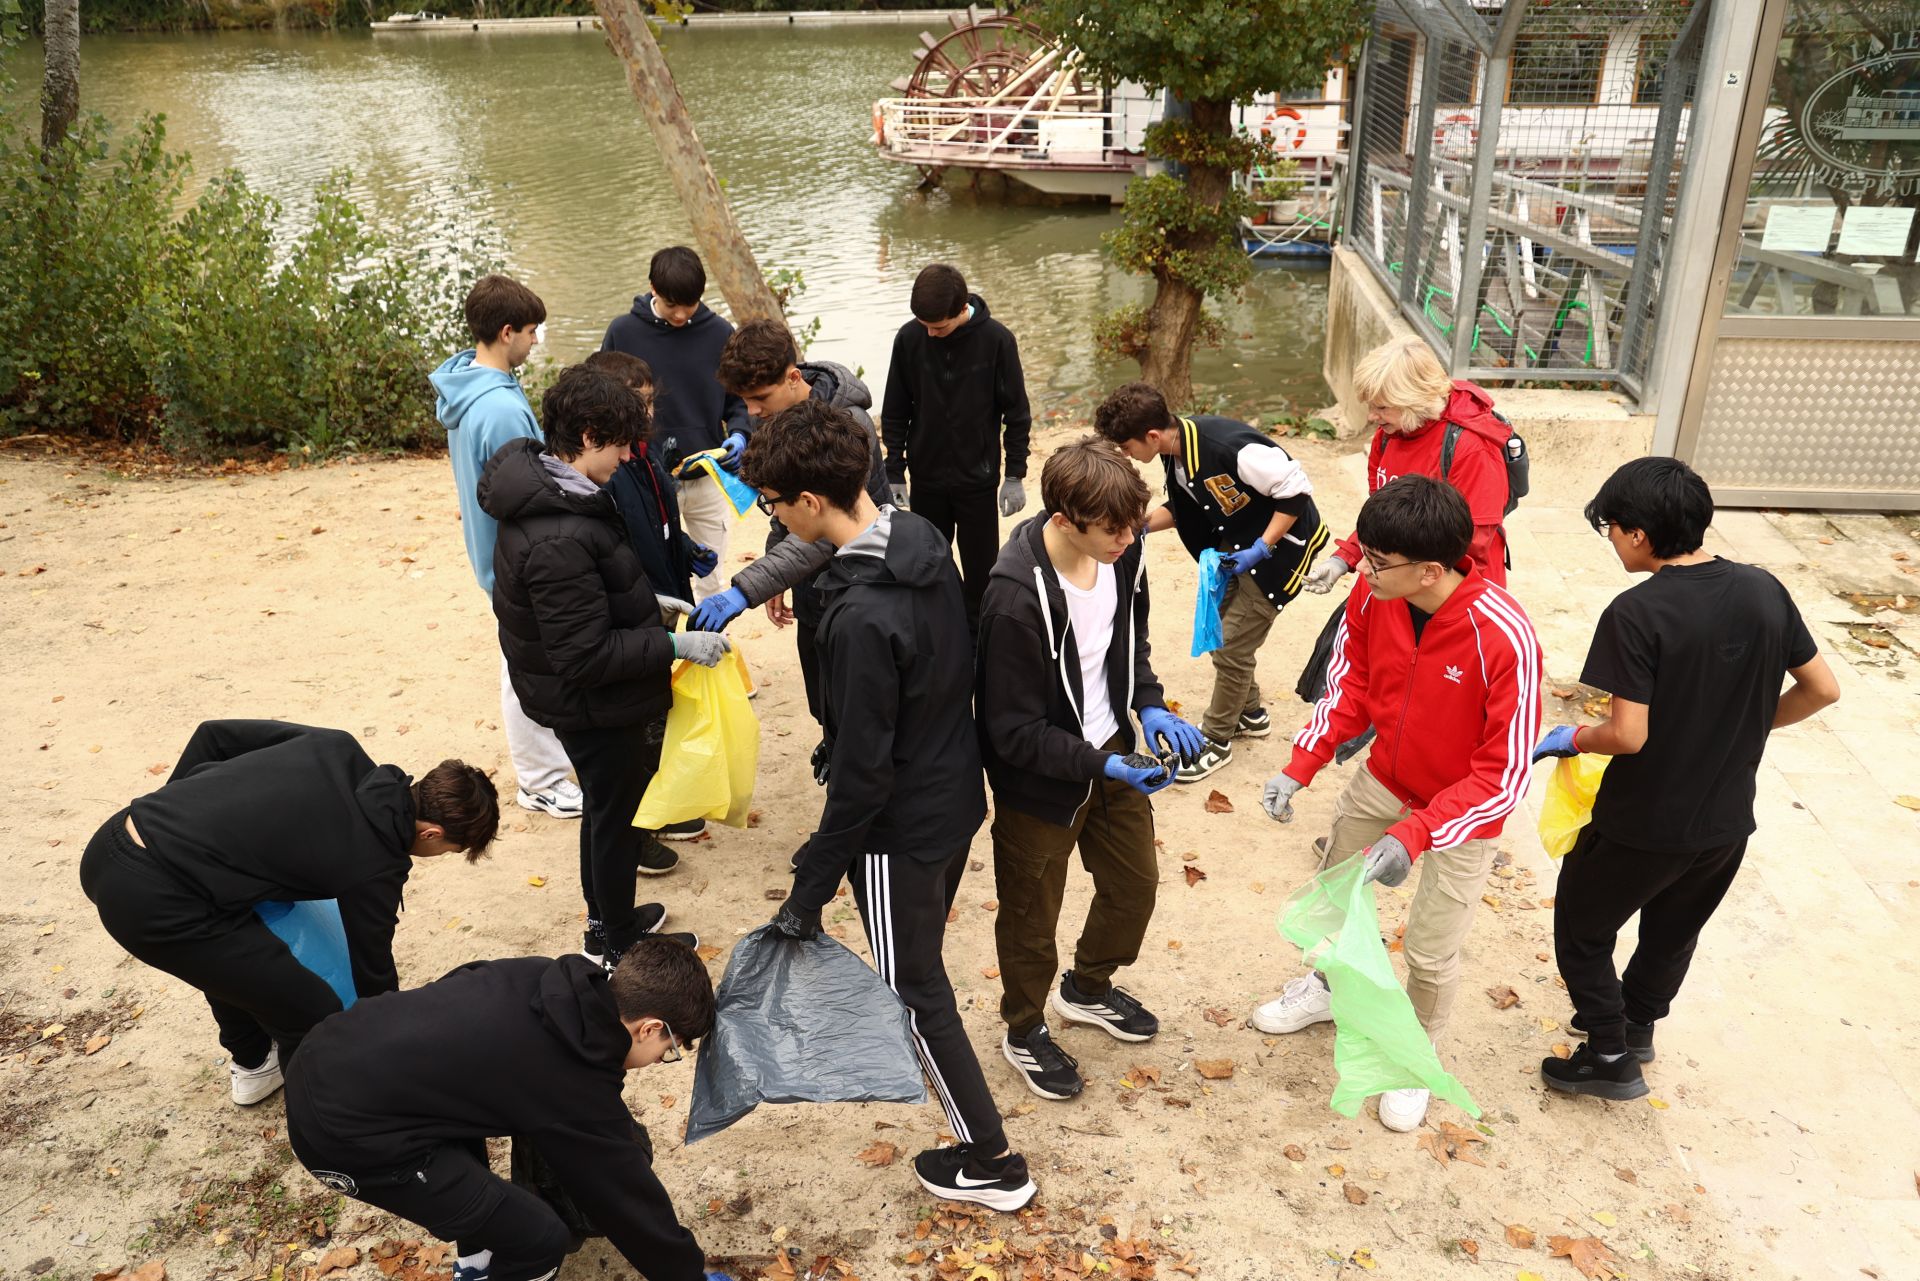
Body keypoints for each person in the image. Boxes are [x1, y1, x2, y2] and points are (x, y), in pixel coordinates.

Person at [741, 397, 1035, 1212]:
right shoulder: (919, 536)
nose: (775, 517)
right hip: (954, 792)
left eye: (776, 504)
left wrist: (808, 891)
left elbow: (862, 779)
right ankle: (985, 1144)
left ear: (810, 501)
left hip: (899, 826)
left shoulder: (861, 620)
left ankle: (993, 1158)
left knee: (912, 988)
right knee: (923, 962)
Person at [1532, 458, 1838, 1100]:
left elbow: (1628, 735)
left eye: (1611, 529)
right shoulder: (1764, 589)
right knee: (1673, 930)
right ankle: (1637, 1025)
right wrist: (1743, 725)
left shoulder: (1636, 613)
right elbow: (1822, 689)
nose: (1612, 541)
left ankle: (1609, 1055)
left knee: (1582, 928)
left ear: (1637, 533)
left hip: (1644, 820)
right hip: (1726, 821)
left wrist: (1572, 739)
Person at [1256, 476, 1542, 1133]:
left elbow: (1503, 774)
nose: (1362, 569)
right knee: (1335, 893)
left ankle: (1414, 1054)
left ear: (1431, 571)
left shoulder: (1505, 636)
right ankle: (1327, 988)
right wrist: (1302, 763)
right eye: (1366, 555)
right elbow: (1350, 684)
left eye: (1378, 561)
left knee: (1432, 951)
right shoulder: (1372, 594)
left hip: (1464, 812)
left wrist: (1416, 834)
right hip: (1385, 776)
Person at [79, 720, 498, 1105]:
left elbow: (212, 736)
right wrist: (393, 1041)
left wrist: (174, 814)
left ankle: (254, 1060)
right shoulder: (376, 863)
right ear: (431, 833)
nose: (438, 855)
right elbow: (372, 968)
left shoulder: (336, 746)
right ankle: (319, 1126)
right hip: (151, 904)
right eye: (449, 850)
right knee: (310, 1008)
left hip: (111, 842)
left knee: (234, 955)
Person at [977, 437, 1206, 1102]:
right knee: (1030, 915)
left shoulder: (1121, 551)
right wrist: (1103, 761)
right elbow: (1011, 732)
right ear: (1064, 519)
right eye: (1115, 529)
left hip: (1112, 753)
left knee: (1135, 886)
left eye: (1133, 525)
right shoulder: (1014, 597)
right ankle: (1024, 1028)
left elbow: (1129, 641)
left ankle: (1088, 987)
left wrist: (1149, 703)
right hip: (1042, 782)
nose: (1129, 539)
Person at [479, 364, 731, 967]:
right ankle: (616, 943)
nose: (626, 456)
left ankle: (607, 924)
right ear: (588, 436)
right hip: (590, 705)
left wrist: (649, 604)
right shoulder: (558, 532)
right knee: (615, 817)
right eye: (620, 443)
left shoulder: (559, 494)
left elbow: (586, 601)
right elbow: (584, 654)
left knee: (605, 809)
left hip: (581, 698)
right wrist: (673, 646)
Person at [285, 939, 727, 1281]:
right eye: (668, 1051)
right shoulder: (569, 1083)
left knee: (462, 1097)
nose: (658, 1062)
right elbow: (624, 1194)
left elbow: (453, 996)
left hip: (328, 1049)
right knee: (540, 1241)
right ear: (650, 1028)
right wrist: (687, 1274)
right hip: (342, 1135)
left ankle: (478, 1258)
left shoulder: (539, 975)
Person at [1094, 380, 1329, 784]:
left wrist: (1262, 547)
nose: (1126, 454)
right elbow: (1185, 506)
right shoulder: (1176, 453)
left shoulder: (1227, 447)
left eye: (1127, 446)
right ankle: (1251, 713)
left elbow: (1296, 493)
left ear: (1152, 436)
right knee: (1221, 628)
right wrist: (1139, 525)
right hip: (1234, 547)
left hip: (1280, 552)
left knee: (1231, 645)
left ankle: (1216, 739)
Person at [432, 274, 582, 820]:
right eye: (532, 331)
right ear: (506, 331)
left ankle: (546, 768)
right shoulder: (497, 408)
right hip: (515, 558)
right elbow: (523, 491)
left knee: (526, 658)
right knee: (526, 667)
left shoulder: (468, 383)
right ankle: (541, 781)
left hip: (496, 552)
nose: (536, 341)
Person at [691, 317, 892, 724]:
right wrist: (778, 576)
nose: (751, 411)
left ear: (794, 377)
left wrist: (747, 589)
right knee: (823, 702)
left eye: (759, 397)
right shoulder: (773, 418)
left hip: (862, 584)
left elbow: (826, 529)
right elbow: (783, 512)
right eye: (743, 400)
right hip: (811, 586)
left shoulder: (848, 426)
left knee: (862, 709)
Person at [880, 262, 1032, 629]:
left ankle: (981, 640)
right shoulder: (909, 338)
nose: (931, 334)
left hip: (978, 480)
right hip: (926, 478)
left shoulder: (997, 341)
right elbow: (896, 410)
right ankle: (937, 636)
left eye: (939, 327)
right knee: (928, 568)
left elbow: (1017, 413)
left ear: (963, 309)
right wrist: (894, 469)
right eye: (924, 326)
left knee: (982, 573)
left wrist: (1014, 474)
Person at [1303, 336, 1515, 595]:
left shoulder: (1472, 449)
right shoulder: (1389, 434)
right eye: (1370, 405)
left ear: (1413, 401)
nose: (1371, 416)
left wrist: (1402, 584)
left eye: (1382, 407)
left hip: (1449, 591)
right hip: (1400, 579)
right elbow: (1384, 519)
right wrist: (1343, 559)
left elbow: (1473, 546)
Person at [600, 246, 751, 602]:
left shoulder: (719, 333)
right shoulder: (623, 331)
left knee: (711, 574)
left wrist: (740, 434)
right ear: (653, 288)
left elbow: (739, 400)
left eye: (691, 305)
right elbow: (602, 397)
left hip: (708, 475)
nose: (682, 315)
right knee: (652, 570)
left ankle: (709, 634)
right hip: (645, 476)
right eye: (672, 305)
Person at [583, 350, 718, 610]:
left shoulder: (647, 453)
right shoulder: (606, 473)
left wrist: (685, 550)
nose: (646, 413)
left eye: (649, 401)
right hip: (641, 605)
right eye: (635, 403)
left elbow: (656, 524)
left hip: (669, 593)